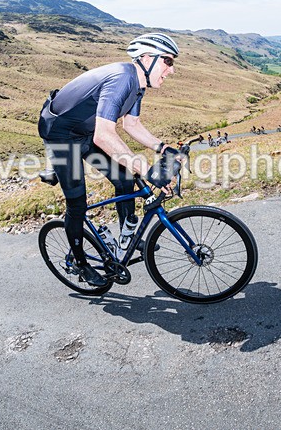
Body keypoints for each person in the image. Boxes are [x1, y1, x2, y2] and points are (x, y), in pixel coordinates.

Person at [38, 32, 181, 286]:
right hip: (62, 138)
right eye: (168, 61)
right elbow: (105, 135)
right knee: (77, 205)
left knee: (125, 178)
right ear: (147, 58)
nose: (171, 70)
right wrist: (147, 168)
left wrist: (162, 147)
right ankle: (80, 263)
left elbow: (131, 124)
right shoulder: (122, 79)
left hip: (85, 133)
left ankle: (127, 237)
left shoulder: (138, 85)